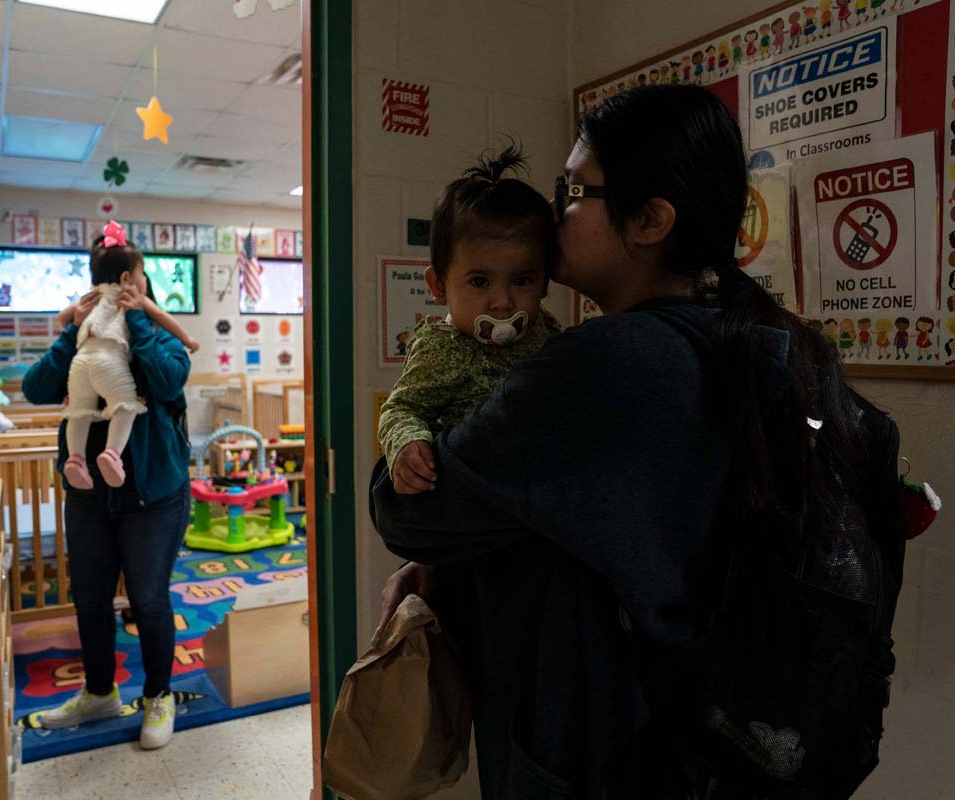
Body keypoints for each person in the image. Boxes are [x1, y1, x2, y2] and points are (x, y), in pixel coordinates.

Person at [371, 85, 879, 798]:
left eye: (572, 190)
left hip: (609, 750)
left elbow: (404, 509)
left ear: (649, 220)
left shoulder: (608, 364)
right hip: (726, 748)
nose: (555, 212)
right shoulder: (775, 344)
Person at [23, 246, 192, 750]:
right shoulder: (84, 333)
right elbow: (36, 389)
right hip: (89, 493)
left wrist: (137, 321)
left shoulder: (159, 331)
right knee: (90, 599)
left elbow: (167, 379)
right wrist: (71, 330)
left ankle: (159, 695)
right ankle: (100, 692)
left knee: (148, 599)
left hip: (153, 493)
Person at [378, 143, 558, 496]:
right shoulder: (440, 348)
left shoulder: (547, 331)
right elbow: (400, 408)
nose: (503, 302)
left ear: (545, 282)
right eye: (479, 282)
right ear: (439, 285)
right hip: (473, 496)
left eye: (522, 281)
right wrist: (408, 445)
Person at [56, 221, 198, 491]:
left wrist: (75, 328)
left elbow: (62, 319)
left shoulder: (92, 298)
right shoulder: (133, 296)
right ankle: (112, 453)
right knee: (125, 404)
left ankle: (75, 459)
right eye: (142, 272)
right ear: (126, 278)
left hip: (81, 362)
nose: (143, 279)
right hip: (108, 361)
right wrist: (188, 339)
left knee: (78, 411)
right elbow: (163, 317)